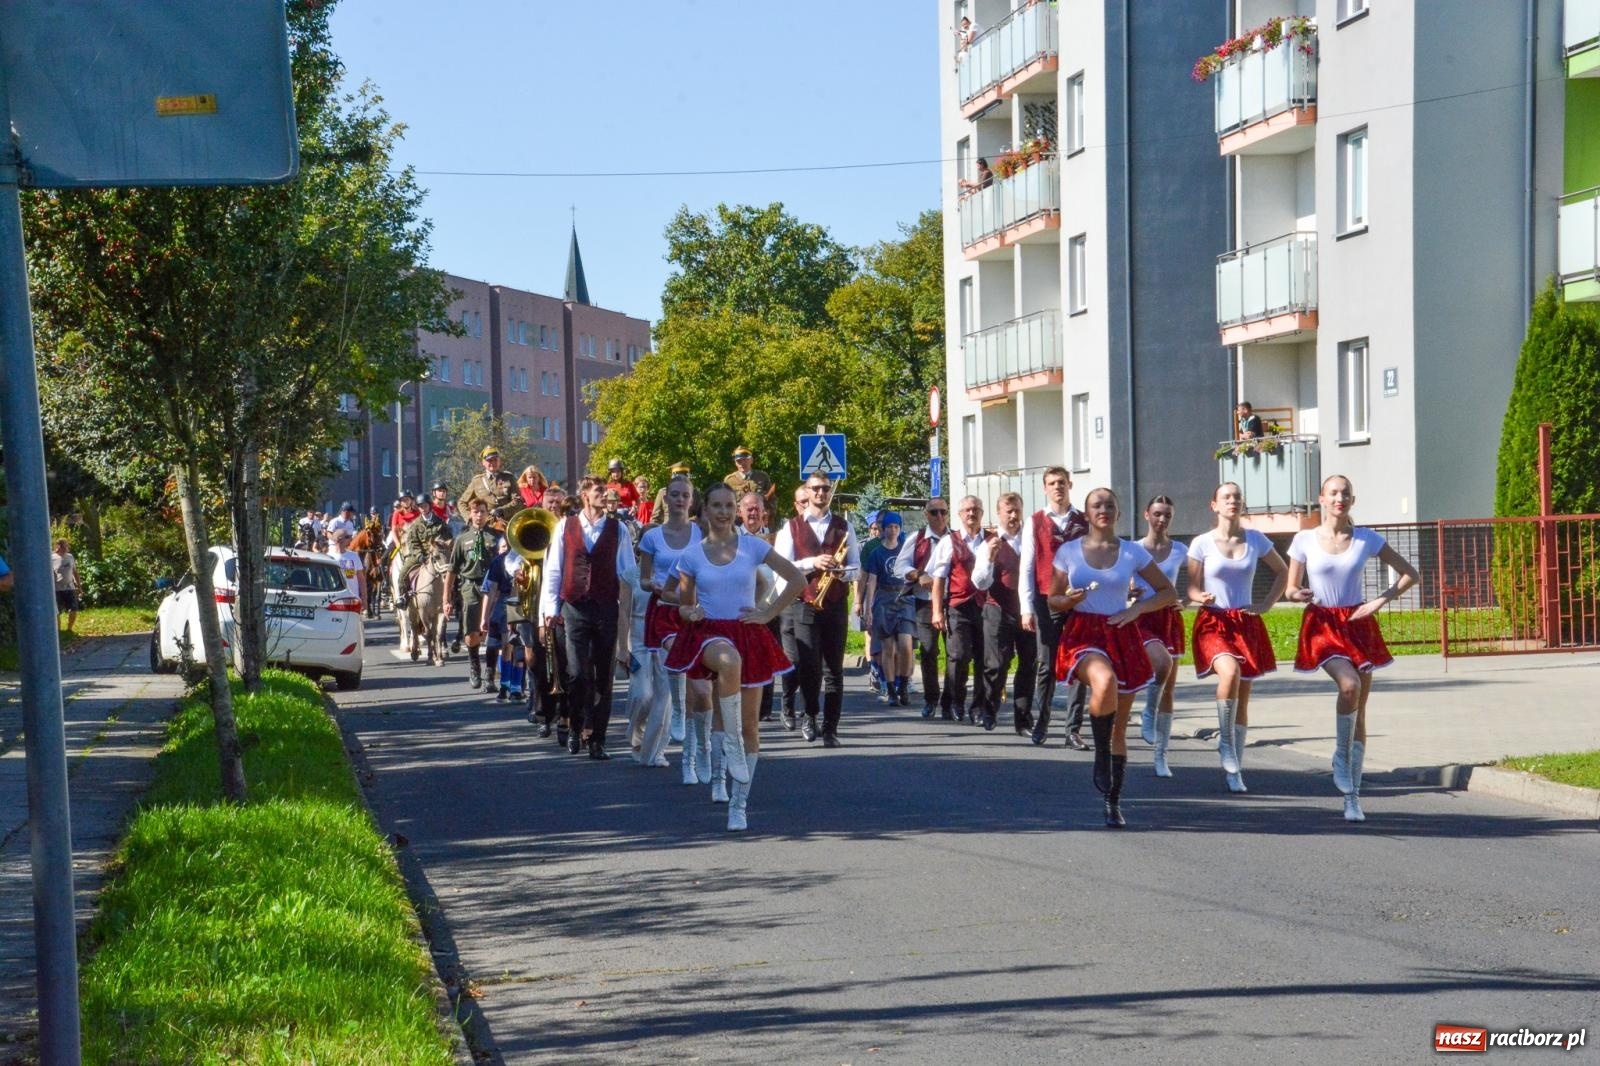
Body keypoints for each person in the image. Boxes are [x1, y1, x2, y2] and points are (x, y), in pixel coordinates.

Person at [666, 483, 804, 830]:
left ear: (737, 510)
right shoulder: (692, 556)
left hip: (748, 631)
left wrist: (768, 612)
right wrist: (689, 613)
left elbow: (797, 578)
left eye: (730, 506)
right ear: (705, 510)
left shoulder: (753, 546)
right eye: (717, 506)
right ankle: (726, 752)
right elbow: (682, 606)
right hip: (710, 633)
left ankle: (738, 805)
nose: (724, 512)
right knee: (728, 662)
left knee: (750, 727)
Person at [1286, 475, 1420, 823]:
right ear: (1321, 499)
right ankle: (1340, 756)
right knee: (1350, 686)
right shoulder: (1304, 540)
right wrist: (1297, 593)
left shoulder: (1366, 538)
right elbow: (1290, 588)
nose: (1339, 498)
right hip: (1322, 624)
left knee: (1359, 710)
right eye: (1333, 492)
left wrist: (1381, 600)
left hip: (1359, 622)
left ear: (1352, 500)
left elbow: (1410, 574)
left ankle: (1353, 797)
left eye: (1345, 493)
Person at [1048, 488, 1177, 828]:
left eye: (1109, 505)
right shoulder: (1068, 552)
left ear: (1118, 513)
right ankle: (1100, 752)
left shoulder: (1133, 552)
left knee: (1120, 727)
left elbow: (1168, 592)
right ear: (1087, 513)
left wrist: (1138, 611)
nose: (1103, 510)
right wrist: (1069, 600)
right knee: (1102, 680)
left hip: (1121, 632)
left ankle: (1112, 801)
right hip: (1084, 634)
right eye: (1096, 505)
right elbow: (1053, 600)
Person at [1186, 482, 1289, 793]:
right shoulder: (1201, 543)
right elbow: (1190, 587)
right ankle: (1225, 742)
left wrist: (1267, 604)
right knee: (1229, 672)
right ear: (1214, 505)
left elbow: (1283, 572)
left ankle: (1235, 770)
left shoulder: (1256, 539)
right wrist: (1197, 595)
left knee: (1243, 697)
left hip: (1245, 621)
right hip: (1213, 621)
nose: (1232, 501)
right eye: (1226, 497)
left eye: (1237, 497)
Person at [539, 476, 636, 760]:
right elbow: (554, 570)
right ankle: (574, 725)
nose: (604, 495)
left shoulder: (618, 529)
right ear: (584, 495)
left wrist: (633, 611)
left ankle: (598, 739)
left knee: (604, 676)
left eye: (605, 491)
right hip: (574, 608)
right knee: (577, 674)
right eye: (598, 491)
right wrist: (549, 610)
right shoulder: (564, 527)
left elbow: (628, 573)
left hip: (606, 608)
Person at [774, 473, 860, 746]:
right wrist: (813, 562)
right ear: (807, 493)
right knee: (809, 666)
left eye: (825, 488)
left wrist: (841, 572)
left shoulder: (844, 526)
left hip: (835, 603)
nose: (821, 493)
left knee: (834, 669)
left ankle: (831, 728)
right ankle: (810, 714)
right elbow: (783, 564)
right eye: (816, 489)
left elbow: (856, 567)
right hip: (805, 603)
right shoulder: (792, 527)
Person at [1020, 467, 1091, 748]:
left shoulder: (1084, 520)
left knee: (1078, 663)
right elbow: (1027, 565)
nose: (1057, 487)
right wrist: (1026, 607)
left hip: (1080, 601)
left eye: (1062, 482)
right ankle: (1043, 722)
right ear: (1045, 488)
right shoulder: (1035, 521)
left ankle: (1073, 729)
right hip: (1046, 599)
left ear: (1070, 484)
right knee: (1047, 664)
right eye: (1052, 483)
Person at [638, 479, 704, 780]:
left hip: (695, 608)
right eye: (674, 495)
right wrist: (651, 584)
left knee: (701, 690)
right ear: (666, 498)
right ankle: (676, 709)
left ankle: (692, 759)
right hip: (666, 608)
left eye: (685, 496)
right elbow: (643, 578)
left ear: (691, 500)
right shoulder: (652, 537)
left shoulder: (701, 533)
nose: (679, 500)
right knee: (675, 654)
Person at [1133, 496, 1187, 778]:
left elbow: (1197, 583)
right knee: (1160, 663)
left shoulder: (1180, 550)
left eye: (1167, 515)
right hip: (1142, 618)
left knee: (1169, 688)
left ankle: (1161, 756)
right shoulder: (1134, 549)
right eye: (1157, 514)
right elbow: (1123, 580)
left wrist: (1187, 601)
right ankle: (1147, 713)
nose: (1162, 519)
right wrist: (1129, 593)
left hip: (1168, 618)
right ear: (1146, 515)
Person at [971, 492, 1033, 735]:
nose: (1014, 516)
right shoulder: (989, 543)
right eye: (1009, 511)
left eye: (1017, 510)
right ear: (999, 514)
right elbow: (979, 583)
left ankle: (1023, 720)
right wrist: (989, 558)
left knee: (1028, 664)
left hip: (1026, 611)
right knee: (996, 665)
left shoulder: (1030, 541)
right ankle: (989, 708)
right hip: (997, 610)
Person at [930, 496, 991, 727]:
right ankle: (954, 701)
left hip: (986, 607)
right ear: (959, 514)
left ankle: (978, 707)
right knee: (958, 656)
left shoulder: (991, 540)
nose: (971, 514)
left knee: (984, 659)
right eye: (966, 510)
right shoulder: (949, 541)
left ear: (982, 513)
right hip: (958, 606)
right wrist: (936, 611)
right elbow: (939, 579)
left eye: (975, 509)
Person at [894, 499, 951, 719]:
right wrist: (919, 575)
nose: (939, 517)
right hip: (925, 601)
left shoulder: (954, 538)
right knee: (928, 651)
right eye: (934, 512)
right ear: (926, 514)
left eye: (943, 512)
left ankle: (951, 699)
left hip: (950, 601)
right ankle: (931, 699)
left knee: (955, 652)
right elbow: (900, 566)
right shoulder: (916, 538)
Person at [862, 512, 915, 707]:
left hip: (904, 598)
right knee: (887, 647)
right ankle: (891, 688)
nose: (893, 530)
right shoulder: (877, 553)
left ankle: (903, 683)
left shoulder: (905, 550)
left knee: (906, 644)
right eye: (890, 527)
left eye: (896, 527)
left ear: (900, 529)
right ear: (883, 529)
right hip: (884, 599)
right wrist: (868, 609)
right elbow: (871, 582)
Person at [444, 499, 497, 690]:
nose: (479, 515)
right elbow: (452, 570)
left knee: (495, 633)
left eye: (483, 512)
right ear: (471, 514)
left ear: (487, 513)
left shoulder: (497, 537)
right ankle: (474, 667)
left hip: (493, 588)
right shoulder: (462, 539)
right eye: (476, 512)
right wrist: (446, 599)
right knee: (471, 633)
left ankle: (490, 674)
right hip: (470, 587)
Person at [777, 484, 809, 729]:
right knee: (793, 659)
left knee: (813, 661)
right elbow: (784, 565)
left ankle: (810, 711)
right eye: (803, 502)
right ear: (796, 505)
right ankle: (787, 705)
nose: (809, 506)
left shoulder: (826, 529)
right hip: (791, 602)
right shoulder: (789, 529)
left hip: (816, 604)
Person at [397, 499, 450, 609]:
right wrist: (419, 555)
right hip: (421, 555)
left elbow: (448, 536)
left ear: (429, 506)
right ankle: (402, 597)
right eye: (420, 506)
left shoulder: (440, 522)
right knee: (402, 574)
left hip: (438, 554)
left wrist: (443, 544)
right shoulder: (415, 524)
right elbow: (412, 543)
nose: (423, 509)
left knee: (454, 570)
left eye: (425, 506)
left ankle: (456, 597)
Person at [458, 446, 521, 529]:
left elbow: (518, 501)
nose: (493, 463)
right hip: (485, 525)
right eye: (489, 460)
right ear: (483, 462)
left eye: (495, 460)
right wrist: (470, 518)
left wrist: (503, 510)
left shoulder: (509, 478)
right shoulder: (477, 481)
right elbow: (462, 502)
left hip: (505, 524)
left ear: (499, 461)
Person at [50, 539, 81, 633]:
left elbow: (75, 572)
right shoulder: (52, 558)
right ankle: (58, 631)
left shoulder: (70, 557)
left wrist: (79, 586)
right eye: (64, 546)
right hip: (56, 589)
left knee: (73, 608)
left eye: (67, 546)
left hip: (69, 587)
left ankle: (69, 629)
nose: (66, 548)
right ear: (58, 546)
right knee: (56, 611)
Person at [329, 528, 366, 605]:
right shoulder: (329, 557)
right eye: (347, 537)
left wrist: (364, 598)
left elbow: (361, 579)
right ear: (339, 540)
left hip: (353, 600)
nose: (350, 539)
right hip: (335, 601)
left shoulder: (354, 556)